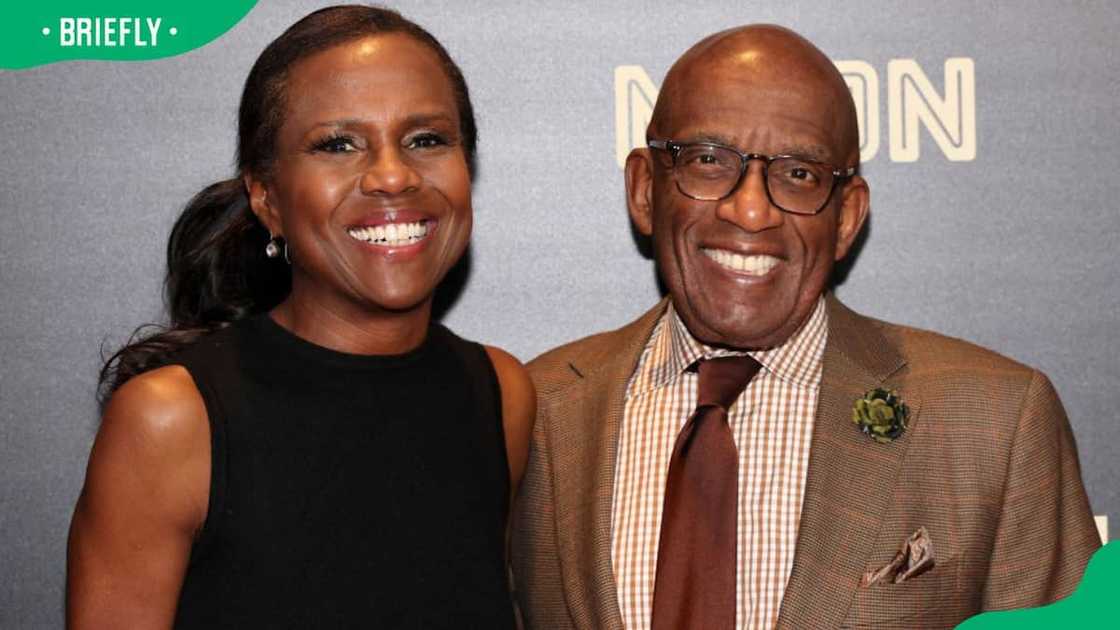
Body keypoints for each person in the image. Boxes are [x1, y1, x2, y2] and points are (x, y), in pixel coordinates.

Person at [510, 24, 1099, 630]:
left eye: (798, 174)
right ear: (643, 189)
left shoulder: (995, 422)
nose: (751, 209)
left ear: (846, 217)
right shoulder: (535, 413)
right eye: (708, 161)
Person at [66, 6, 533, 628]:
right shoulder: (173, 420)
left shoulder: (501, 393)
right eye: (338, 144)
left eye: (426, 139)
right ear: (267, 197)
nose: (393, 175)